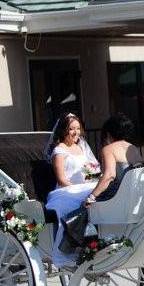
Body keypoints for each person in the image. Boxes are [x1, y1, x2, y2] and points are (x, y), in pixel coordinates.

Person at [44, 112, 98, 267]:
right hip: (65, 191)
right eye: (72, 129)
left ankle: (92, 241)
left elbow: (92, 168)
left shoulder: (81, 147)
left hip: (84, 187)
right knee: (83, 199)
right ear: (64, 130)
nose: (76, 133)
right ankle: (67, 249)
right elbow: (61, 179)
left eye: (78, 129)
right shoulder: (59, 150)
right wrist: (78, 188)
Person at [84, 113, 143, 205]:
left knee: (84, 206)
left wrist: (91, 197)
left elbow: (110, 175)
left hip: (119, 194)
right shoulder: (133, 148)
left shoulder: (108, 149)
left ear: (108, 133)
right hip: (137, 191)